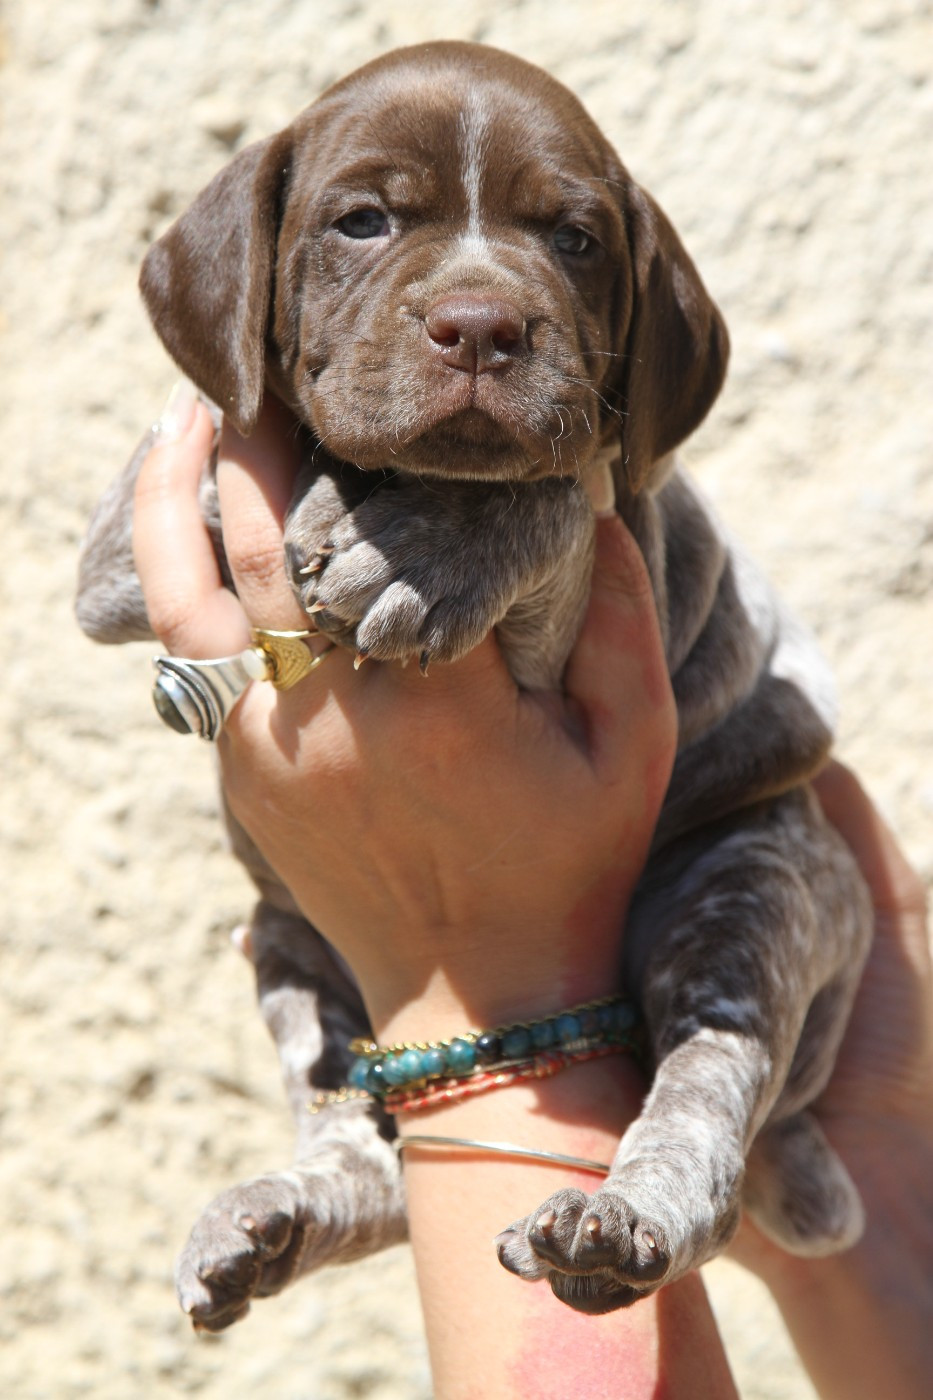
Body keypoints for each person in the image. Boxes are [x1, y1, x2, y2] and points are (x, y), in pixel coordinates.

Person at [132, 382, 932, 1398]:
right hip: (861, 1184)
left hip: (705, 841)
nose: (470, 316)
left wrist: (470, 982)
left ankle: (684, 1166)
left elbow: (575, 574)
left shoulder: (580, 478)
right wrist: (884, 1182)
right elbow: (110, 594)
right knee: (291, 930)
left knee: (760, 882)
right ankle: (347, 1155)